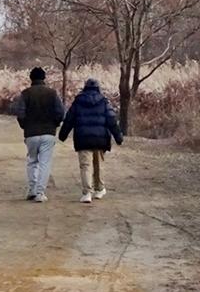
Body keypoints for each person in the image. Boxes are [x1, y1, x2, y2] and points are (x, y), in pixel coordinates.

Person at [58, 78, 124, 203]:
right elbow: (112, 120)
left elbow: (69, 119)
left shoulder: (78, 101)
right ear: (98, 88)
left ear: (85, 88)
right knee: (98, 164)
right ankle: (99, 189)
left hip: (83, 138)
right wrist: (118, 137)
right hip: (100, 139)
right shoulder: (104, 102)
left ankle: (87, 193)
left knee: (85, 166)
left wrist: (63, 135)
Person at [9, 66, 65, 202]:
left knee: (32, 161)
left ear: (31, 78)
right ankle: (40, 193)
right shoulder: (52, 93)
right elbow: (61, 112)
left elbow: (20, 113)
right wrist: (55, 124)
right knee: (45, 162)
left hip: (31, 133)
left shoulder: (25, 94)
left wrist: (25, 126)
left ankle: (32, 190)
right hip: (48, 132)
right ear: (44, 78)